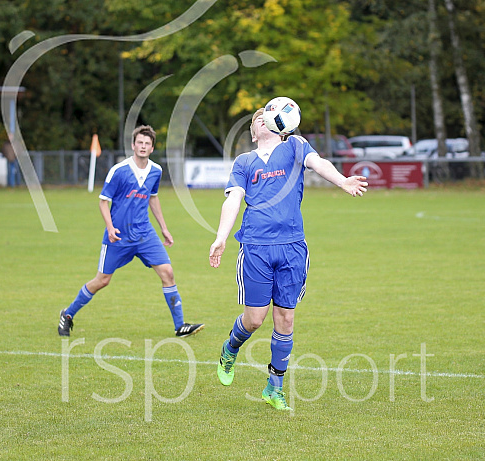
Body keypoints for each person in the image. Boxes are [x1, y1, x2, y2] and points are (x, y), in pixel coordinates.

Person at [209, 107, 368, 411]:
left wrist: (342, 181)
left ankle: (274, 386)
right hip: (256, 246)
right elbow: (233, 199)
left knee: (286, 317)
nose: (264, 120)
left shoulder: (295, 146)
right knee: (255, 319)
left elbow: (318, 163)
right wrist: (221, 237)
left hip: (292, 246)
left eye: (268, 116)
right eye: (258, 119)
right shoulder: (244, 162)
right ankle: (231, 348)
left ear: (283, 126)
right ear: (253, 132)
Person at [58, 125, 204, 338]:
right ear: (133, 145)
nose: (143, 146)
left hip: (145, 234)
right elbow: (103, 202)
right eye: (140, 143)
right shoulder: (119, 171)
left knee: (168, 273)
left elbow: (153, 198)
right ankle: (68, 314)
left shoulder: (156, 171)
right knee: (102, 280)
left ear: (152, 148)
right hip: (118, 236)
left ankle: (180, 326)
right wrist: (109, 228)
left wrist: (164, 228)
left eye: (147, 144)